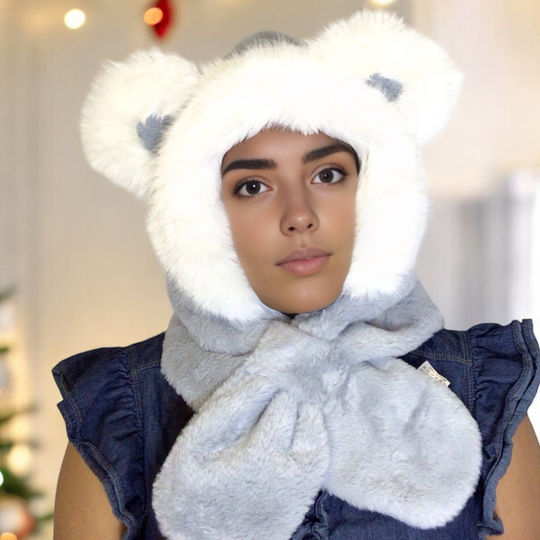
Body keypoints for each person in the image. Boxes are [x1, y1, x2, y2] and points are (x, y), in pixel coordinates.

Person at [52, 10, 540, 540]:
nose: (299, 214)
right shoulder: (121, 413)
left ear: (374, 190)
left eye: (328, 174)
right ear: (203, 219)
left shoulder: (484, 395)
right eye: (252, 186)